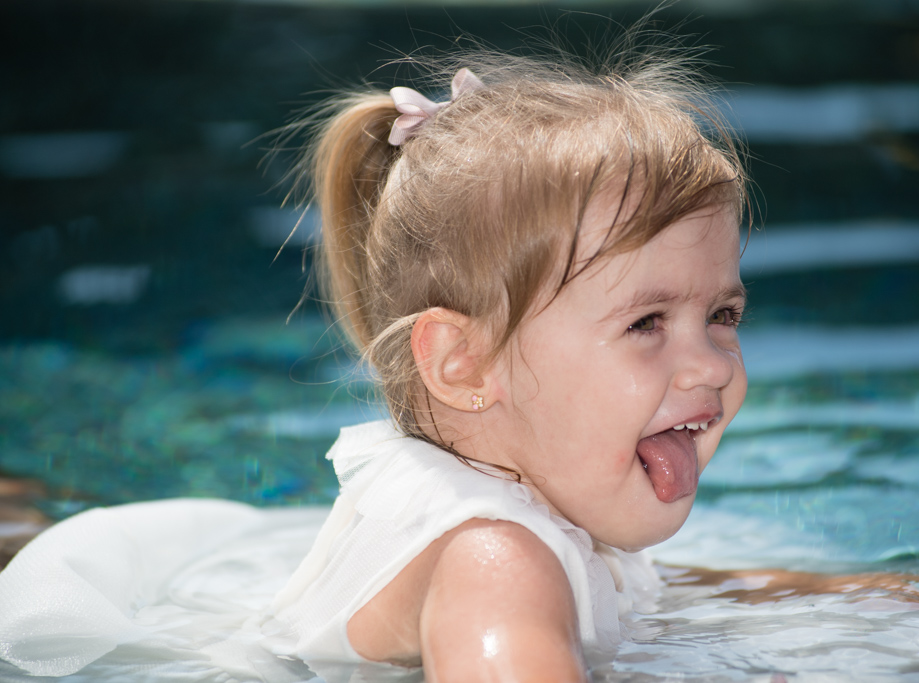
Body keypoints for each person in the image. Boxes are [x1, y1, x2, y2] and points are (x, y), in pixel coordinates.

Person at [0, 48, 748, 682]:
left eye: (722, 315)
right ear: (464, 364)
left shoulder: (544, 497)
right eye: (646, 323)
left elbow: (635, 587)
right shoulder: (498, 559)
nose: (710, 366)